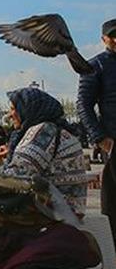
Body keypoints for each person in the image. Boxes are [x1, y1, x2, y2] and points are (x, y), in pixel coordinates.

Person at [0, 88, 99, 269]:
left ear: (29, 109)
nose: (9, 114)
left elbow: (17, 177)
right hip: (60, 206)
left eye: (13, 108)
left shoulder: (44, 131)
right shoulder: (57, 131)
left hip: (52, 210)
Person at [78, 17, 116, 243]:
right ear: (104, 39)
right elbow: (83, 105)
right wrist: (100, 138)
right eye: (112, 35)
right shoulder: (95, 66)